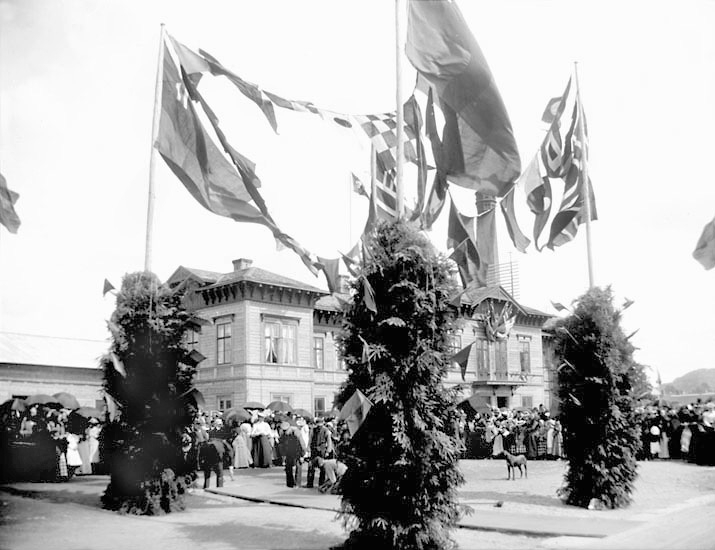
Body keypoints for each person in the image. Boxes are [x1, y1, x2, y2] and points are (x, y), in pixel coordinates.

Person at [306, 417, 334, 488]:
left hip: (322, 450)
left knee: (322, 467)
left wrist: (328, 451)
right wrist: (308, 448)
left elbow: (329, 441)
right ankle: (309, 483)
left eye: (320, 425)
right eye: (318, 424)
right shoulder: (313, 430)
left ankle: (321, 483)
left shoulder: (326, 430)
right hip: (314, 450)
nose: (319, 426)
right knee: (311, 466)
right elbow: (310, 439)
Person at [278, 421, 306, 488]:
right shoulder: (282, 433)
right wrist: (283, 455)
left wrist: (303, 454)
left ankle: (297, 483)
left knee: (298, 467)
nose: (285, 432)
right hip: (288, 452)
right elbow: (281, 444)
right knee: (288, 467)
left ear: (289, 428)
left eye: (286, 430)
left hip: (297, 451)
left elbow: (302, 443)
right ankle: (290, 483)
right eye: (283, 430)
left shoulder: (296, 432)